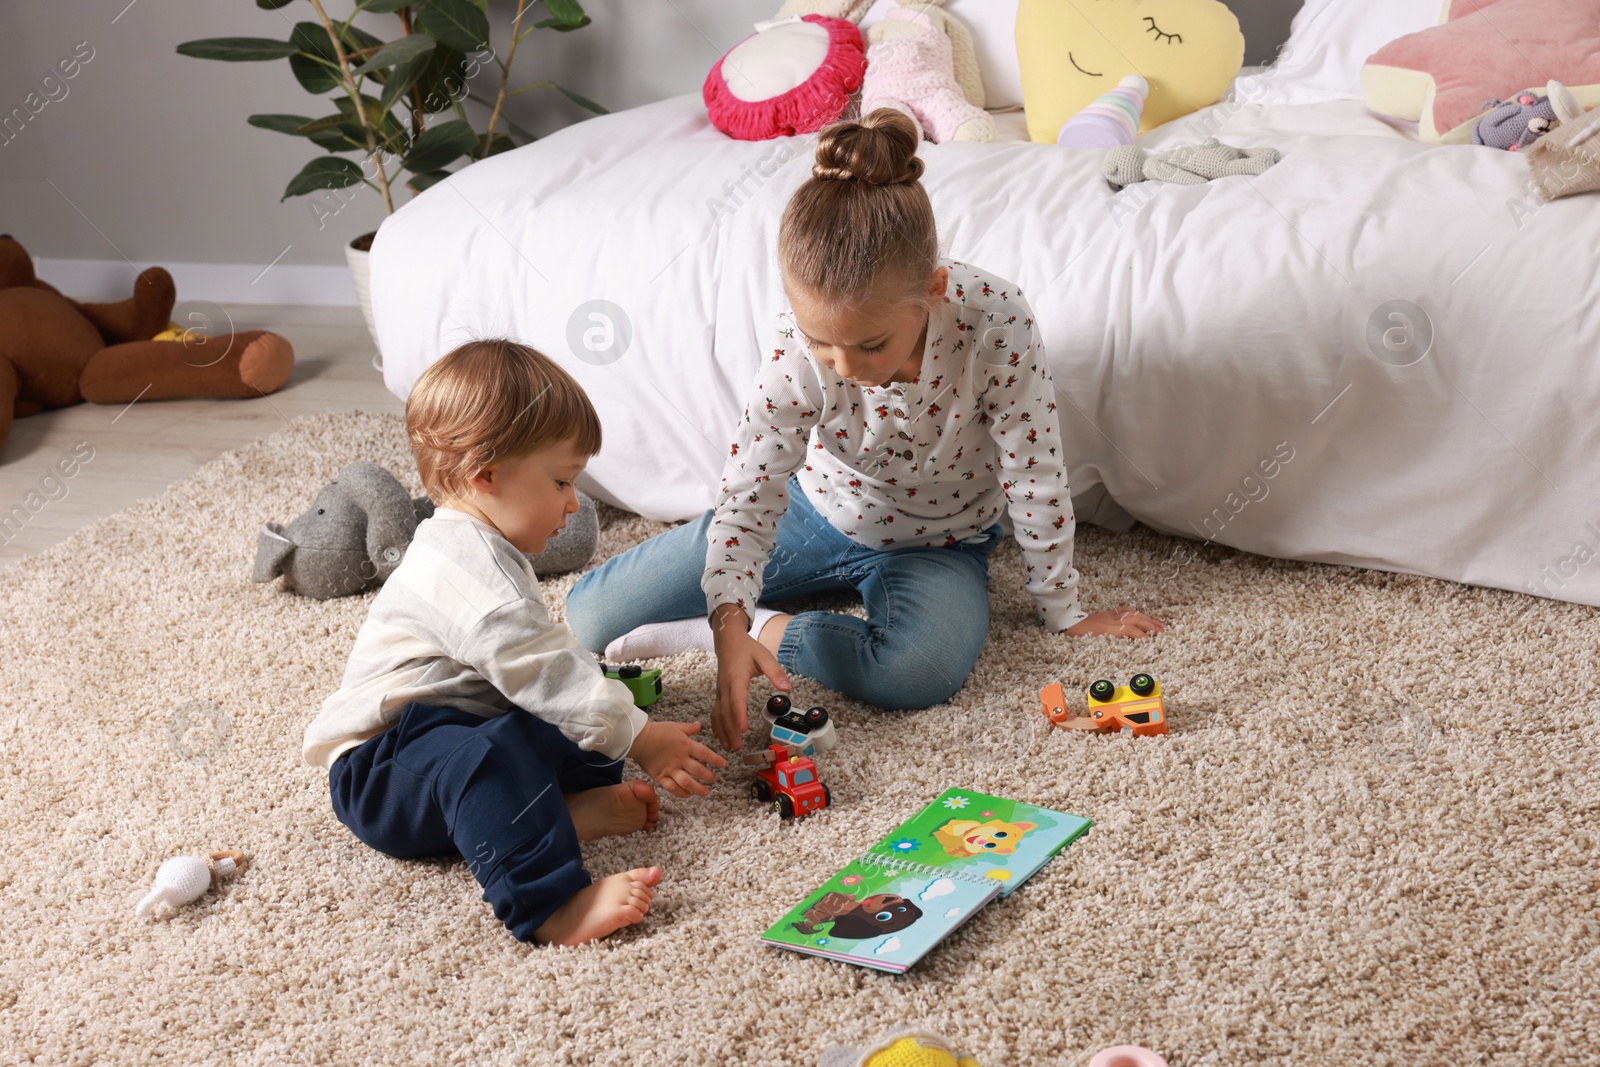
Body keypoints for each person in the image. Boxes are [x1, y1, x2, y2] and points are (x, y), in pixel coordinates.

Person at [565, 108, 1164, 750]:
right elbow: (753, 485)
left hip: (938, 543)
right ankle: (734, 616)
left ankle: (771, 627)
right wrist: (725, 615)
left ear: (933, 290)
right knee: (587, 616)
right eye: (823, 343)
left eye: (871, 344)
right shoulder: (800, 347)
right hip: (817, 510)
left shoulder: (996, 321)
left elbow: (1035, 471)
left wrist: (1063, 611)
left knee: (919, 671)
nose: (846, 369)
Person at [303, 339, 726, 945]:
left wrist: (610, 718)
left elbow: (549, 677)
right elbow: (544, 672)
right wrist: (640, 735)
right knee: (520, 739)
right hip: (384, 770)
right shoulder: (462, 566)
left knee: (579, 713)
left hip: (460, 723)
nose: (574, 503)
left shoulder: (483, 542)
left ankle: (559, 812)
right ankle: (550, 906)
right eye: (560, 481)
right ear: (485, 475)